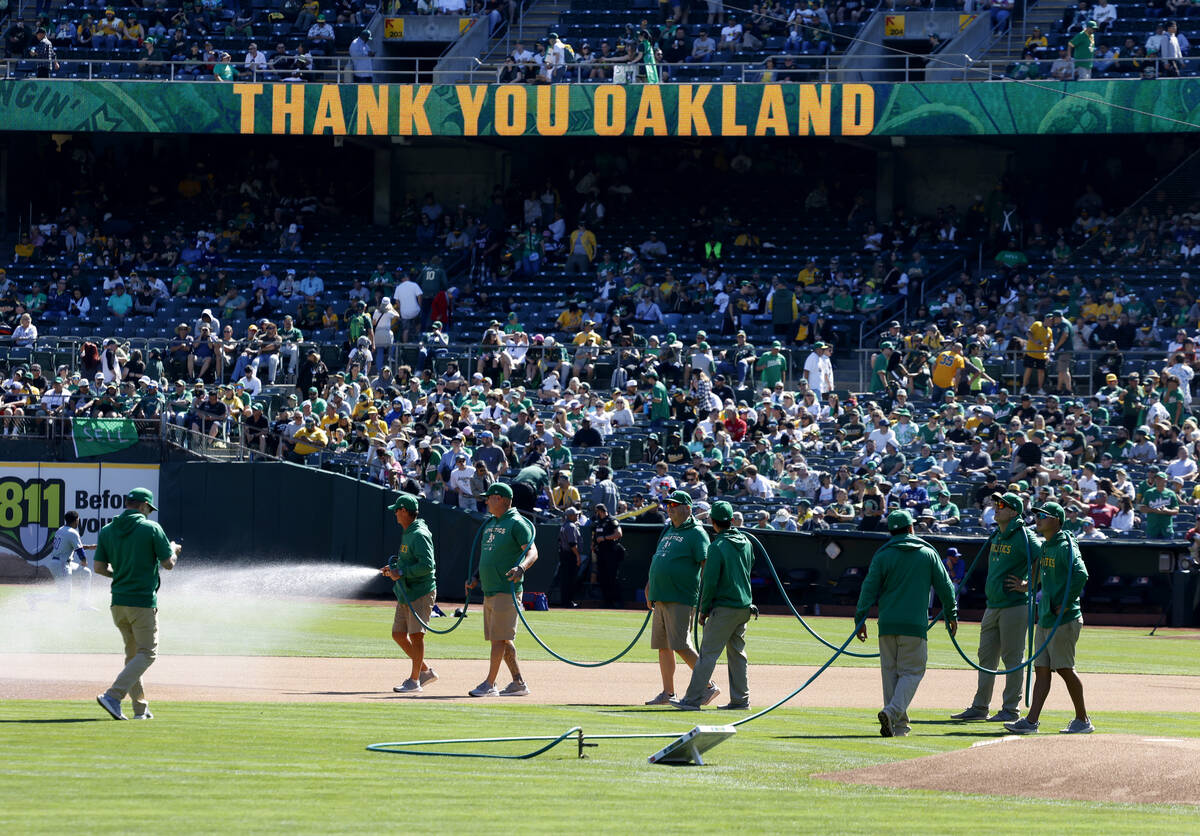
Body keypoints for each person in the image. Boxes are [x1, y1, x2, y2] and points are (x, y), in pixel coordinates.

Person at [855, 509, 958, 738]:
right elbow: (946, 586)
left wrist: (860, 619)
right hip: (914, 626)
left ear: (891, 531)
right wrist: (951, 613)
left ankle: (898, 727)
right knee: (912, 673)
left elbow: (868, 589)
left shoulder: (883, 555)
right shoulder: (927, 553)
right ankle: (892, 712)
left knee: (890, 675)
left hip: (888, 624)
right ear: (911, 528)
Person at [1004, 502, 1093, 735]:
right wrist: (1026, 586)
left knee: (1064, 668)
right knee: (1042, 670)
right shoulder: (1045, 546)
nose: (1039, 518)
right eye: (1038, 515)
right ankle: (1031, 722)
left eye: (1044, 515)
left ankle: (1083, 720)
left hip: (1063, 619)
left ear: (1057, 520)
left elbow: (1081, 574)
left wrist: (1065, 604)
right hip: (1045, 617)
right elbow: (1038, 576)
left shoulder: (1065, 546)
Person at [93, 488, 180, 721]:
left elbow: (99, 568)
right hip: (141, 602)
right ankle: (113, 695)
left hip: (118, 602)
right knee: (148, 653)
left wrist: (121, 576)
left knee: (133, 655)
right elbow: (168, 564)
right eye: (148, 509)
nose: (149, 513)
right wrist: (174, 550)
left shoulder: (107, 530)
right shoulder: (152, 529)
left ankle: (140, 709)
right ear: (142, 506)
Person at [950, 492, 1036, 724]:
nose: (995, 507)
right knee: (985, 657)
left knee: (1012, 659)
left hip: (1014, 606)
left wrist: (1029, 584)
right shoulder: (998, 534)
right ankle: (980, 707)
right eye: (996, 503)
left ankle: (1010, 709)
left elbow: (1046, 560)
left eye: (1001, 505)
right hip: (993, 605)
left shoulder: (1025, 537)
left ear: (1014, 511)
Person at [671, 501, 754, 711]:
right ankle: (740, 700)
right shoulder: (746, 542)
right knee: (737, 655)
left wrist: (703, 610)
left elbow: (710, 582)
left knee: (707, 654)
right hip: (744, 606)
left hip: (724, 607)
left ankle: (692, 700)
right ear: (732, 520)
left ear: (713, 522)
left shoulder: (717, 546)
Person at [643, 490, 717, 706]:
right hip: (661, 595)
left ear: (687, 508)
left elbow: (706, 565)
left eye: (675, 505)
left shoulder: (696, 532)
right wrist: (650, 586)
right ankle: (668, 693)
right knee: (663, 645)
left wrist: (705, 597)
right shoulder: (668, 530)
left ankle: (709, 685)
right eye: (668, 505)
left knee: (681, 645)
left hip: (681, 596)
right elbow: (659, 559)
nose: (670, 508)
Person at [465, 483, 538, 697]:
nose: (486, 501)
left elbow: (533, 551)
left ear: (502, 499)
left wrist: (521, 567)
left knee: (499, 639)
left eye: (490, 497)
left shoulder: (516, 523)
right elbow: (489, 556)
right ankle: (518, 683)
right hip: (490, 588)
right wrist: (476, 577)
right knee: (504, 639)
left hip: (507, 589)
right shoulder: (490, 523)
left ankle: (490, 683)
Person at [380, 493, 439, 694]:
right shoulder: (409, 531)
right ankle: (425, 671)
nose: (395, 513)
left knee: (416, 636)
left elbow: (427, 566)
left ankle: (414, 681)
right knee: (398, 634)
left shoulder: (419, 534)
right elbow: (409, 560)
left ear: (404, 511)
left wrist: (401, 572)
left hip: (420, 592)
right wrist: (394, 568)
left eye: (397, 510)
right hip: (406, 591)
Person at [43, 510, 97, 608]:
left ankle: (84, 603)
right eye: (78, 520)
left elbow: (69, 545)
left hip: (61, 562)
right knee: (64, 597)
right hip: (62, 564)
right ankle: (35, 598)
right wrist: (84, 561)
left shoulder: (61, 529)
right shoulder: (72, 532)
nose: (78, 522)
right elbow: (79, 551)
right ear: (76, 520)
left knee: (86, 573)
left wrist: (89, 547)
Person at [591, 502, 624, 607]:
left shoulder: (611, 520)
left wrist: (604, 538)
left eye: (597, 512)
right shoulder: (598, 522)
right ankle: (607, 602)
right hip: (601, 554)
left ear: (601, 511)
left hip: (611, 553)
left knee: (612, 578)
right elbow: (595, 537)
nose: (596, 514)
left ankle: (617, 601)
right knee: (603, 578)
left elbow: (618, 534)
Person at [557, 506, 582, 608]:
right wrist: (578, 556)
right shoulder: (571, 526)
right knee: (570, 580)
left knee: (565, 579)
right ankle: (568, 602)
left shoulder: (564, 525)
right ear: (570, 516)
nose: (577, 516)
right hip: (570, 555)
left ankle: (565, 601)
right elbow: (572, 544)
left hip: (564, 554)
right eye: (576, 514)